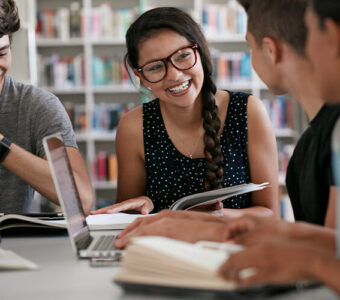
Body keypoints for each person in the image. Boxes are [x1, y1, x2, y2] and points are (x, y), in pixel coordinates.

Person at [92, 7, 279, 217]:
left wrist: (212, 217)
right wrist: (141, 205)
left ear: (200, 52)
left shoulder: (248, 111)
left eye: (182, 56)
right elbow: (124, 220)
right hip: (163, 249)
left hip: (237, 247)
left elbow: (270, 214)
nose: (174, 75)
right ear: (141, 77)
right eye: (155, 67)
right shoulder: (133, 127)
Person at [0, 0, 94, 214]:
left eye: (1, 54)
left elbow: (81, 198)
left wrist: (2, 148)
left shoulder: (36, 106)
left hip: (11, 245)